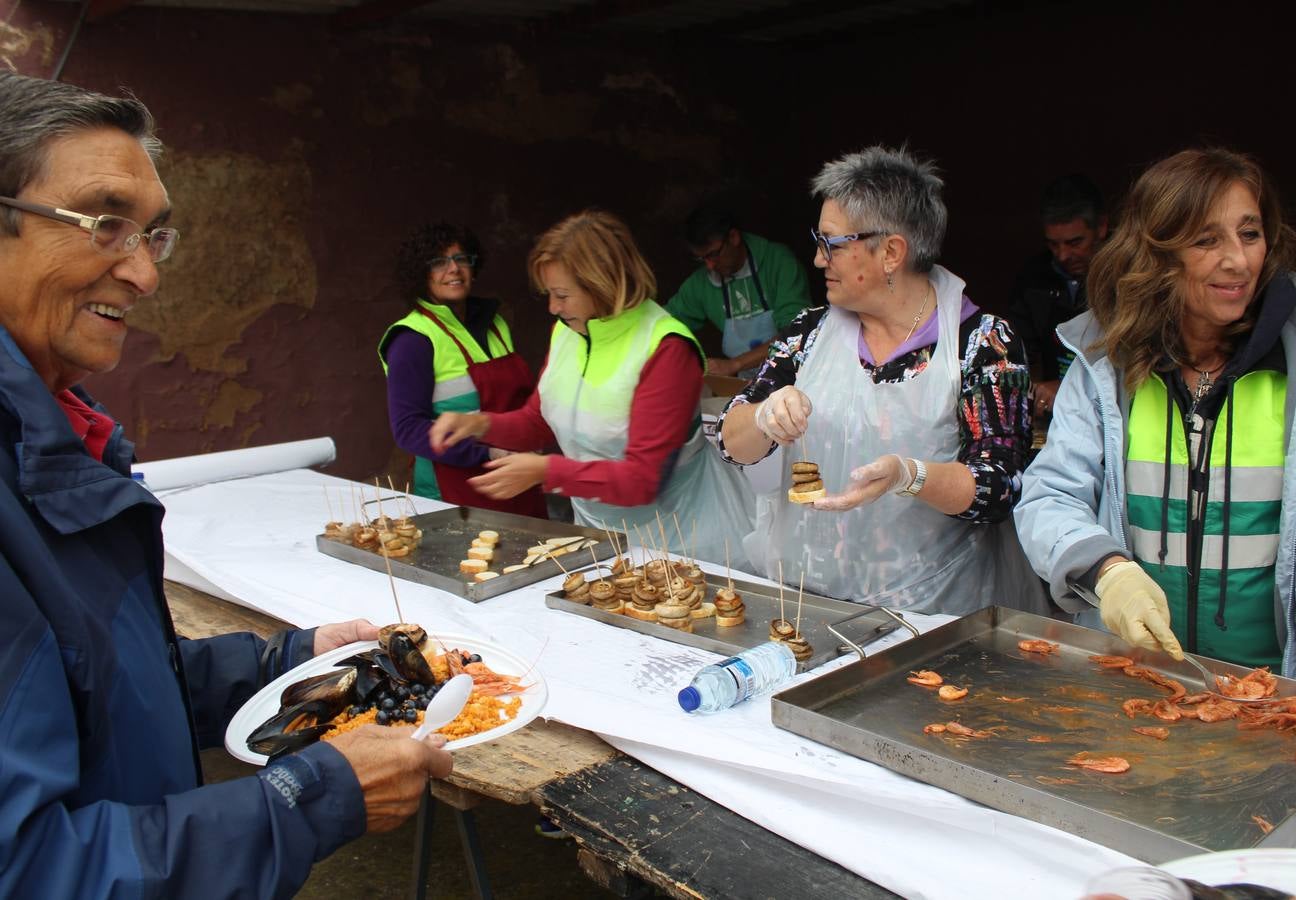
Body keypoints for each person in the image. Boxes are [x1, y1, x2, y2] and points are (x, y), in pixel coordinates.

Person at [0, 72, 453, 897]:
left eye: (152, 236)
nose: (143, 275)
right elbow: (30, 870)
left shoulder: (65, 434)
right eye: (105, 225)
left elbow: (94, 689)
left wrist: (287, 665)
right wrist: (309, 799)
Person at [1015, 148, 1296, 688]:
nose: (1238, 261)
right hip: (1139, 683)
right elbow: (1052, 493)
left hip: (1285, 691)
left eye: (1249, 233)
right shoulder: (1105, 362)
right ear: (1157, 253)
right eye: (1206, 240)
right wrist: (1109, 572)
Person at [717, 146, 1047, 613]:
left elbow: (998, 487)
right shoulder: (809, 335)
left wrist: (910, 476)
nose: (816, 258)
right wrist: (765, 417)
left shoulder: (981, 343)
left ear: (891, 252)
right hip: (807, 602)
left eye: (831, 243)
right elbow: (732, 442)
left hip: (932, 611)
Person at [428, 209, 754, 565]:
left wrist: (546, 472)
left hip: (684, 539)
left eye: (562, 295)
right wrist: (480, 425)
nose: (553, 307)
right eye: (549, 294)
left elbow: (642, 480)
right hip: (601, 535)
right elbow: (540, 420)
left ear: (603, 283)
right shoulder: (569, 331)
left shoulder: (666, 348)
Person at [379, 222, 546, 516]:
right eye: (439, 262)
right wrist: (491, 452)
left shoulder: (496, 323)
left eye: (461, 259)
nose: (453, 269)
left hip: (519, 480)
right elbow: (408, 430)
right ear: (421, 273)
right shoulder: (412, 340)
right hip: (457, 493)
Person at [664, 206, 812, 378]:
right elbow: (664, 321)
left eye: (713, 254)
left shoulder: (779, 263)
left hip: (797, 375)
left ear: (733, 237)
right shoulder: (701, 284)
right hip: (748, 383)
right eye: (702, 258)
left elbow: (796, 333)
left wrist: (735, 364)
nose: (709, 266)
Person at [1007, 175, 1108, 422]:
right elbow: (1019, 355)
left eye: (1075, 242)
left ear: (1102, 228)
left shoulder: (1127, 277)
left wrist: (1065, 385)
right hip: (1055, 416)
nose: (1063, 255)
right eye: (1054, 244)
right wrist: (1031, 387)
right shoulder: (1033, 279)